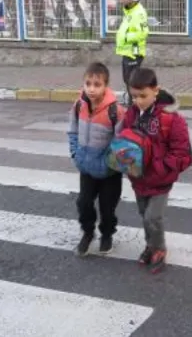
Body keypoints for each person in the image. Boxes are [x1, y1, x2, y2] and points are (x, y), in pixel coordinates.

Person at [120, 67, 192, 273]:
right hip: (138, 177)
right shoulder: (132, 114)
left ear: (155, 90)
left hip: (160, 179)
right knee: (144, 215)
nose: (138, 101)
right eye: (134, 96)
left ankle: (159, 249)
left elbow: (183, 154)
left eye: (143, 96)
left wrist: (161, 169)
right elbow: (124, 139)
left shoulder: (171, 119)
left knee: (153, 217)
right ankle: (150, 245)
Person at [67, 62, 126, 256]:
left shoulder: (115, 111)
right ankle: (88, 232)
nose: (92, 89)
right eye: (88, 83)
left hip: (109, 172)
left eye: (97, 84)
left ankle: (107, 234)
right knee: (83, 203)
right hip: (87, 167)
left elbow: (120, 142)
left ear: (106, 86)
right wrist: (76, 154)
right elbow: (73, 132)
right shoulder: (78, 106)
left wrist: (108, 164)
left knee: (107, 208)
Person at [115, 0, 149, 105]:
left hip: (134, 53)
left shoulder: (139, 13)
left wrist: (125, 37)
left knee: (132, 81)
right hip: (127, 52)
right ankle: (135, 103)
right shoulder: (130, 11)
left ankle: (136, 105)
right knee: (128, 80)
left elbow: (143, 33)